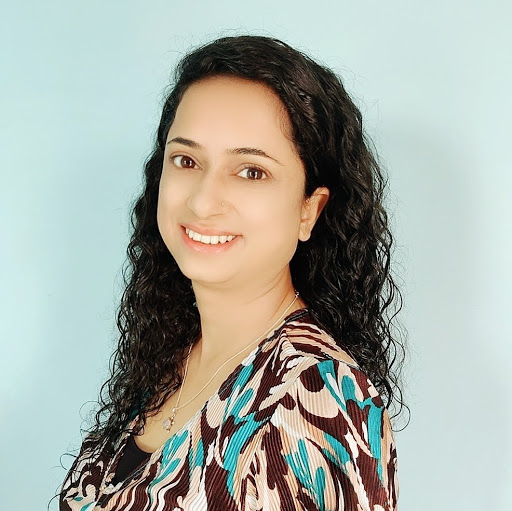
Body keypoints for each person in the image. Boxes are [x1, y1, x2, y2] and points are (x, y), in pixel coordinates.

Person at [59, 35, 404, 510]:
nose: (202, 201)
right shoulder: (170, 353)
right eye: (186, 160)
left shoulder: (317, 398)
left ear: (310, 208)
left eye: (251, 171)